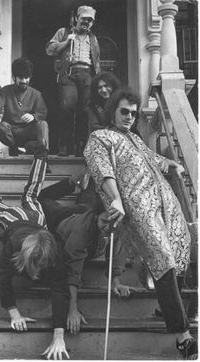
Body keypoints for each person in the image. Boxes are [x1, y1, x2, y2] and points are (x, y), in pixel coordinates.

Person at [84, 88, 198, 359]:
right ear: (113, 109)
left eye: (134, 114)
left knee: (182, 249)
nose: (130, 117)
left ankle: (168, 307)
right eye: (125, 111)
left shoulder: (134, 137)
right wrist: (115, 200)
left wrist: (170, 163)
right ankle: (183, 336)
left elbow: (152, 158)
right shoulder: (100, 137)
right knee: (164, 257)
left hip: (164, 203)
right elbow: (102, 170)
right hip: (138, 208)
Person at [0, 144, 69, 360]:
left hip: (38, 222)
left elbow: (60, 290)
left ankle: (41, 158)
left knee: (32, 196)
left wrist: (58, 334)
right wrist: (13, 312)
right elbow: (1, 274)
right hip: (15, 221)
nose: (38, 274)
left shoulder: (54, 254)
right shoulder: (13, 248)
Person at [37, 169, 124, 335]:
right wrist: (72, 308)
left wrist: (116, 282)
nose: (108, 228)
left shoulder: (113, 220)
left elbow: (116, 248)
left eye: (111, 223)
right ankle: (71, 182)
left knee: (91, 195)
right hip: (66, 216)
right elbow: (73, 270)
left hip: (89, 205)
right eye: (104, 222)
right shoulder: (80, 232)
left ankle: (90, 177)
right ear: (96, 217)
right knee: (41, 198)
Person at [46, 6, 100, 156]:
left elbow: (97, 61)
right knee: (66, 109)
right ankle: (64, 146)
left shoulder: (93, 38)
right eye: (84, 18)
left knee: (84, 111)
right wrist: (66, 43)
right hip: (68, 74)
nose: (87, 22)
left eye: (90, 20)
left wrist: (98, 80)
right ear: (77, 18)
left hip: (87, 75)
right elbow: (49, 50)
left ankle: (80, 147)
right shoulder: (63, 32)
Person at [0, 57, 49, 156]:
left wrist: (33, 116)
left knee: (43, 124)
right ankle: (15, 148)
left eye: (27, 78)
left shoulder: (36, 94)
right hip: (11, 132)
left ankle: (42, 155)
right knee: (1, 127)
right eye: (21, 78)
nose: (24, 81)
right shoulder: (5, 91)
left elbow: (42, 113)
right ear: (14, 77)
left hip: (28, 131)